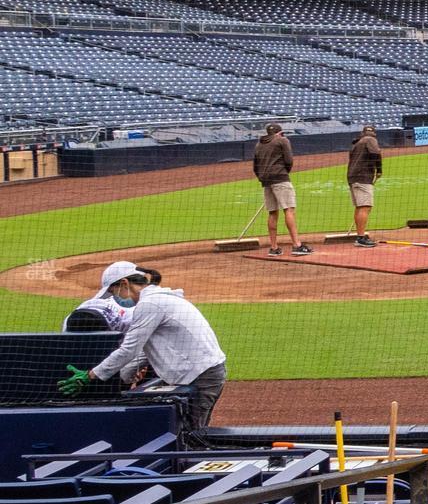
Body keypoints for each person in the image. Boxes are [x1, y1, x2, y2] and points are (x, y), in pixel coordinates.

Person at [69, 274, 228, 447]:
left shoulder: (150, 304)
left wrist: (90, 376)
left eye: (114, 291)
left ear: (124, 283)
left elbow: (129, 349)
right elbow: (147, 349)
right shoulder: (162, 299)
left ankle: (189, 471)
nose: (115, 297)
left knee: (192, 437)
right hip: (205, 372)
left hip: (200, 375)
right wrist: (124, 377)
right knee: (192, 433)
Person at [254, 123, 308, 256]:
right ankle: (296, 245)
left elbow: (255, 166)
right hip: (280, 177)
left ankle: (274, 247)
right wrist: (284, 173)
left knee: (272, 213)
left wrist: (262, 177)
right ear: (279, 132)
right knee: (289, 209)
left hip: (266, 181)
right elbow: (289, 160)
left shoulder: (259, 144)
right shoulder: (282, 140)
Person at [63, 260, 145, 332]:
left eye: (113, 292)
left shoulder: (74, 314)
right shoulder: (143, 312)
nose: (113, 296)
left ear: (125, 284)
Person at [347, 125, 383, 247]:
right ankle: (361, 238)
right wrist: (379, 170)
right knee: (365, 206)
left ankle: (359, 235)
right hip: (362, 177)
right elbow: (376, 153)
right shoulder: (370, 140)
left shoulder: (357, 143)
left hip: (352, 177)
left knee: (359, 207)